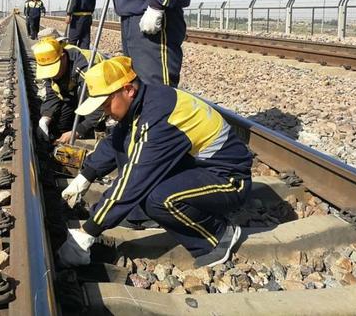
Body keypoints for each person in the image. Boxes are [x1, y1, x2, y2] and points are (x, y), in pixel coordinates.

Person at [57, 57, 252, 268]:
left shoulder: (159, 119)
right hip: (197, 167)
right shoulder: (145, 101)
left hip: (229, 179)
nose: (105, 112)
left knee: (158, 198)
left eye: (106, 104)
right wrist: (86, 175)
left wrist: (89, 231)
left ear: (128, 90)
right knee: (128, 148)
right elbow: (117, 141)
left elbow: (135, 178)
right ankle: (141, 215)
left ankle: (217, 236)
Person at [33, 38, 104, 144]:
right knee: (57, 125)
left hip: (98, 94)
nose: (52, 75)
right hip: (72, 94)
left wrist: (79, 130)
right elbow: (52, 93)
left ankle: (97, 134)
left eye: (54, 69)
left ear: (63, 57)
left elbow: (100, 104)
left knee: (88, 117)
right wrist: (45, 118)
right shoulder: (50, 62)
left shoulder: (86, 68)